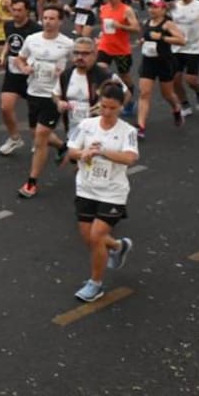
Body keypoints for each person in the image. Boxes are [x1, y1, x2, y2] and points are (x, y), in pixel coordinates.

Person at [64, 82, 138, 302]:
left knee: (96, 236)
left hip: (112, 192)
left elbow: (130, 157)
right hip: (86, 188)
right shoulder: (87, 125)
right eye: (104, 106)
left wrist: (102, 152)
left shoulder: (128, 131)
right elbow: (71, 150)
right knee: (89, 238)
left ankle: (95, 284)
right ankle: (118, 245)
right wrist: (83, 153)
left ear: (120, 107)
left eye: (112, 108)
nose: (106, 112)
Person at [14, 7, 74, 199]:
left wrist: (63, 73)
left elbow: (78, 65)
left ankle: (31, 182)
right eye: (45, 18)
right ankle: (62, 147)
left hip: (53, 95)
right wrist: (24, 68)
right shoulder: (32, 39)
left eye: (52, 18)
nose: (47, 21)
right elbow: (20, 58)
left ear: (60, 22)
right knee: (35, 132)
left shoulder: (67, 44)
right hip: (33, 92)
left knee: (40, 138)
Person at [134, 0, 186, 139]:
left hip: (164, 62)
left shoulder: (167, 24)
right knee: (144, 93)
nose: (151, 10)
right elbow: (147, 37)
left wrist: (162, 37)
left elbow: (181, 40)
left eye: (155, 7)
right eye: (150, 7)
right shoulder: (147, 23)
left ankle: (176, 108)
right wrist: (142, 41)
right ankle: (141, 126)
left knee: (167, 94)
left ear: (163, 10)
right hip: (148, 62)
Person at [0, 0, 41, 157]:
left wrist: (28, 64)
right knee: (5, 107)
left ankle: (38, 141)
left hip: (30, 74)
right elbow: (9, 42)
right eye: (13, 10)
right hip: (13, 72)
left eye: (19, 10)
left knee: (34, 112)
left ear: (27, 11)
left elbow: (40, 51)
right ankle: (15, 138)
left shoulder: (36, 29)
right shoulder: (8, 25)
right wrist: (2, 55)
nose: (15, 13)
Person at [95, 0, 140, 112]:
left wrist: (121, 26)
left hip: (121, 49)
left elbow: (136, 28)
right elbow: (104, 27)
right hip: (105, 46)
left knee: (124, 75)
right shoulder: (103, 8)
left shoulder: (127, 10)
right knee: (100, 70)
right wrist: (100, 37)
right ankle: (102, 101)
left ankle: (129, 99)